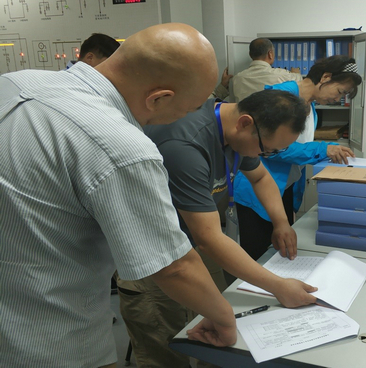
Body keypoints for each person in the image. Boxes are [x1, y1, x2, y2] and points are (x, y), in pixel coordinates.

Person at [0, 23, 237, 368]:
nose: (190, 118)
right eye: (190, 109)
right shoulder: (121, 146)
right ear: (159, 98)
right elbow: (173, 267)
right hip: (50, 335)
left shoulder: (15, 82)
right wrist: (225, 319)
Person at [120, 90, 318, 367]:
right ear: (245, 123)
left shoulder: (236, 132)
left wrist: (281, 223)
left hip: (192, 242)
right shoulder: (184, 145)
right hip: (153, 257)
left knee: (220, 334)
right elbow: (209, 238)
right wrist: (279, 286)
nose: (263, 155)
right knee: (165, 346)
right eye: (267, 149)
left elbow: (260, 177)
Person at [234, 55, 361, 260]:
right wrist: (322, 149)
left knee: (281, 252)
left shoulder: (309, 105)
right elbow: (273, 148)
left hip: (284, 187)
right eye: (340, 92)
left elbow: (298, 147)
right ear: (325, 77)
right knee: (259, 255)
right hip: (258, 189)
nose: (338, 99)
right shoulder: (281, 98)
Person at [229, 37, 302, 103]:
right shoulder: (284, 75)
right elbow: (300, 84)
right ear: (270, 54)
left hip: (245, 114)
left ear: (250, 55)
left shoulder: (237, 78)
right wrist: (296, 73)